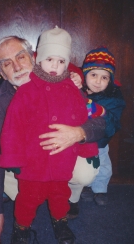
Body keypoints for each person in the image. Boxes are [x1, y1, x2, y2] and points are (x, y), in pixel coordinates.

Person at [0, 34, 106, 244]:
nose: (17, 67)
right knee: (24, 193)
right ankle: (19, 218)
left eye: (21, 57)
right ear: (1, 72)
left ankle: (62, 217)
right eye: (7, 64)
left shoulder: (67, 83)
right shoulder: (2, 99)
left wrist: (80, 134)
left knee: (61, 192)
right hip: (30, 165)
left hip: (61, 160)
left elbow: (98, 120)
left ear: (34, 57)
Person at [67, 46, 125, 219]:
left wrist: (99, 110)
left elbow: (112, 122)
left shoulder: (114, 97)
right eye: (93, 75)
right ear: (85, 75)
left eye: (104, 77)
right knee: (82, 166)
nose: (98, 81)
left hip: (100, 141)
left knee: (103, 166)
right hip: (80, 141)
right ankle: (84, 186)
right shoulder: (79, 91)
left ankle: (100, 189)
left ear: (111, 80)